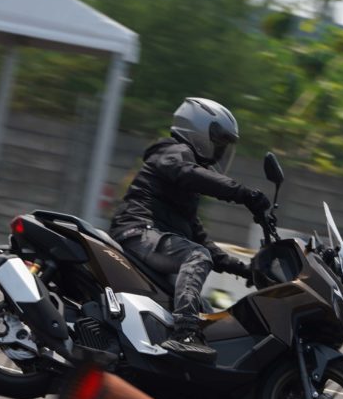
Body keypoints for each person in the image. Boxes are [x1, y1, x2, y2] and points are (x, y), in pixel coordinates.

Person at [108, 98, 271, 362]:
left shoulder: (185, 183)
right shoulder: (173, 153)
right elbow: (189, 174)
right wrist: (243, 194)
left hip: (153, 238)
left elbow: (200, 238)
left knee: (204, 310)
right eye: (219, 141)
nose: (221, 150)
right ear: (199, 131)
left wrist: (244, 270)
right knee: (196, 257)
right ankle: (184, 334)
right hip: (138, 230)